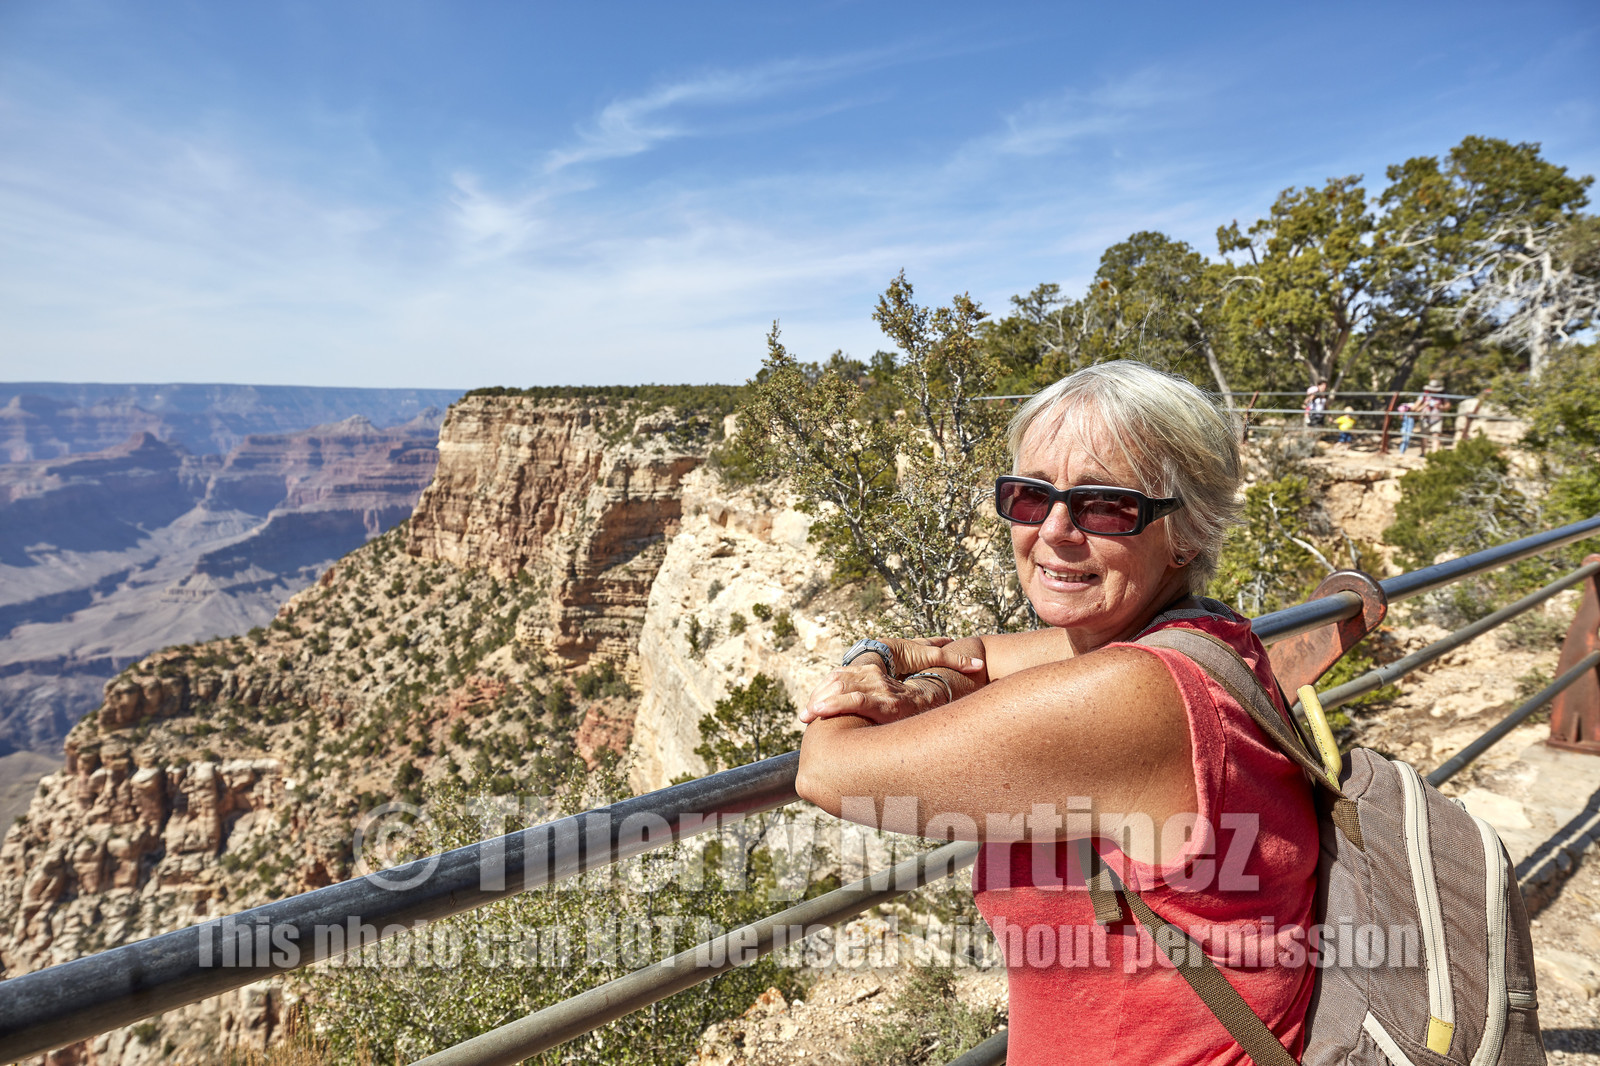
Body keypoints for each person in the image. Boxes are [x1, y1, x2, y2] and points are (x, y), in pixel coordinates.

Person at [797, 361, 1317, 1065]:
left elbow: (829, 770)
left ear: (1188, 533)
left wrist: (865, 669)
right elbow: (977, 652)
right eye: (1029, 496)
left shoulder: (1132, 693)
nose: (1055, 531)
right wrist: (908, 664)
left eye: (1106, 506)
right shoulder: (1205, 637)